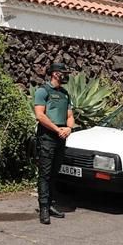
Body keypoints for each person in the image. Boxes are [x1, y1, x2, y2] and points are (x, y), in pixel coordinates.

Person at [33, 62, 75, 225]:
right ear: (55, 74)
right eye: (63, 72)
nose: (66, 75)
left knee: (55, 172)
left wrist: (68, 129)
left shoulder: (65, 94)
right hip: (47, 137)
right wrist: (57, 129)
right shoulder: (43, 91)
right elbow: (40, 116)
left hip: (61, 137)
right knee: (45, 173)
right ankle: (43, 208)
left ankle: (51, 205)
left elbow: (70, 116)